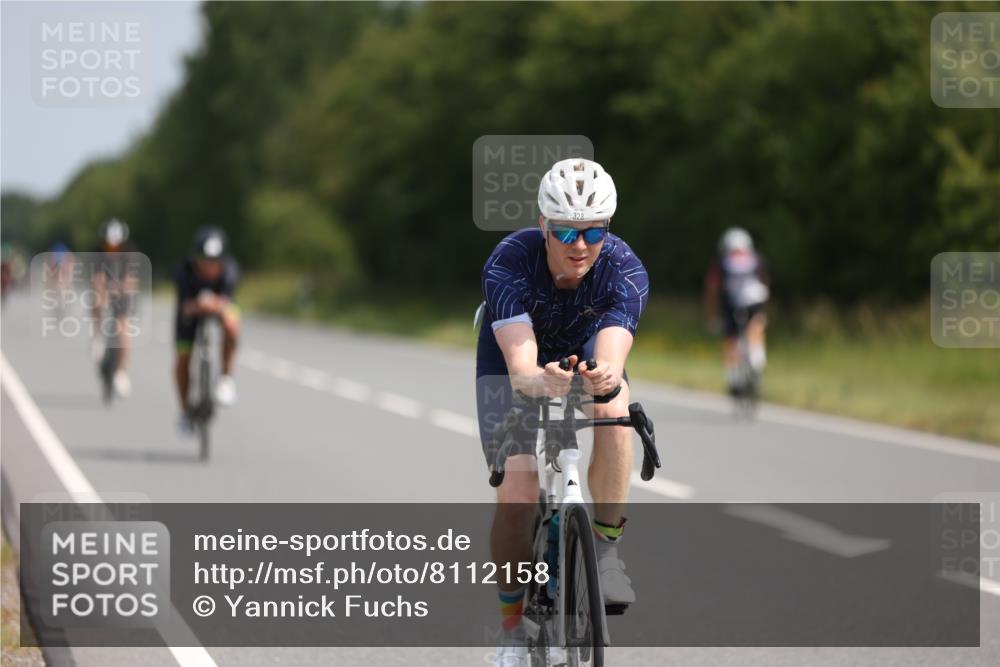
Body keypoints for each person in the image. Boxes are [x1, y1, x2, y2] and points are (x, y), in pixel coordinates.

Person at [476, 158, 649, 665]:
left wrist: (606, 377)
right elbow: (521, 365)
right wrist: (538, 381)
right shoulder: (509, 261)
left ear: (607, 229)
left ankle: (607, 552)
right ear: (543, 225)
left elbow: (614, 355)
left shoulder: (624, 269)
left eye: (593, 231)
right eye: (566, 231)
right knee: (519, 489)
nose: (579, 245)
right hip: (516, 356)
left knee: (615, 407)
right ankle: (511, 629)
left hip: (584, 347)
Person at [174, 227, 241, 435]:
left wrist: (211, 304)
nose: (210, 267)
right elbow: (186, 305)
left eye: (215, 262)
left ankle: (226, 378)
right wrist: (202, 305)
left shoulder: (230, 271)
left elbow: (226, 303)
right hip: (190, 314)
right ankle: (185, 411)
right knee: (183, 359)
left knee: (232, 324)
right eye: (205, 261)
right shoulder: (183, 271)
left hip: (215, 308)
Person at [703, 227, 770, 395]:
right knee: (756, 324)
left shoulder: (721, 262)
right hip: (754, 300)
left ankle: (732, 377)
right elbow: (764, 281)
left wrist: (711, 315)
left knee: (731, 338)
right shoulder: (756, 259)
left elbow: (712, 289)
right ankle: (757, 357)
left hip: (731, 304)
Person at [92, 219, 139, 397]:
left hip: (123, 292)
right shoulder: (99, 251)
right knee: (96, 299)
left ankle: (121, 371)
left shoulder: (129, 252)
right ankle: (97, 335)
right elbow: (97, 277)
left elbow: (132, 279)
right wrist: (102, 293)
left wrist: (121, 288)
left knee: (122, 330)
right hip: (105, 288)